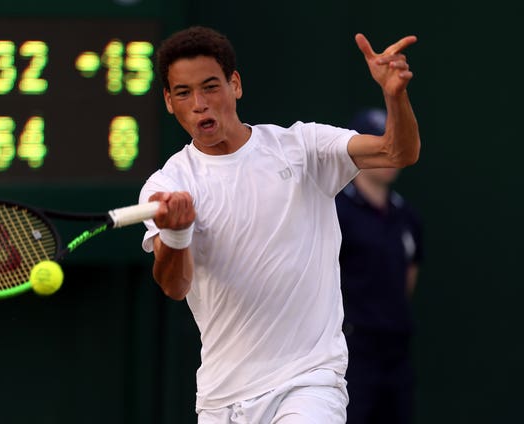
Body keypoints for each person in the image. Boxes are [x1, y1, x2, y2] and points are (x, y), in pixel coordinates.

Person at [139, 26, 420, 423]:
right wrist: (177, 232)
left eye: (211, 86)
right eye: (183, 93)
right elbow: (174, 285)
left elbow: (399, 151)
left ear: (235, 85)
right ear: (170, 102)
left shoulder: (303, 148)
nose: (200, 103)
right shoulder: (167, 184)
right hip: (223, 398)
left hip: (309, 382)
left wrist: (395, 96)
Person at [336, 107, 423, 424]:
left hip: (396, 351)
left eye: (394, 142)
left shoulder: (407, 217)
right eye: (381, 143)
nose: (390, 152)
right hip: (350, 352)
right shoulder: (336, 211)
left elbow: (408, 278)